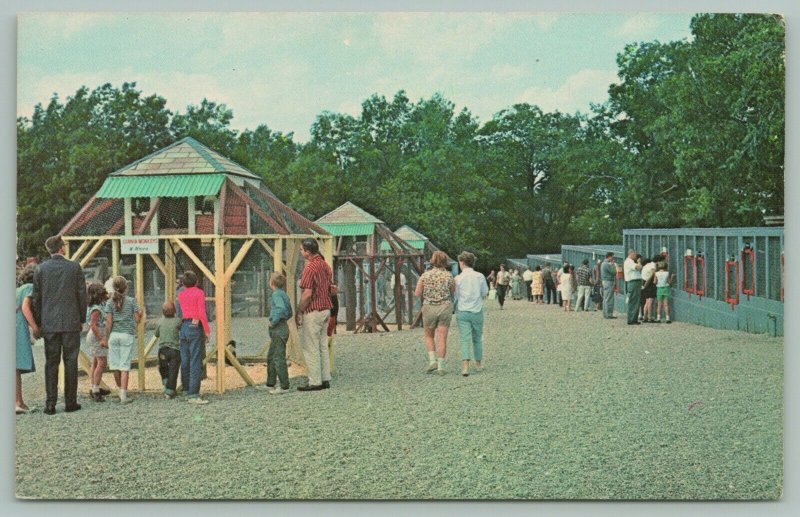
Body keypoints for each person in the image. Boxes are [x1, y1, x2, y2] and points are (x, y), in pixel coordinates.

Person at [32, 235, 87, 415]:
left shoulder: (40, 269)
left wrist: (39, 322)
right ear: (61, 248)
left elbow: (37, 299)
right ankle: (70, 402)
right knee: (71, 361)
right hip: (71, 320)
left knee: (51, 363)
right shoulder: (74, 268)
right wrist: (81, 318)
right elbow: (82, 295)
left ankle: (50, 403)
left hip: (49, 322)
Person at [296, 238, 334, 392]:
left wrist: (299, 310)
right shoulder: (325, 265)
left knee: (310, 346)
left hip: (313, 310)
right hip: (326, 308)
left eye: (301, 250)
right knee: (323, 345)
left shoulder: (310, 267)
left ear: (307, 252)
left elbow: (307, 293)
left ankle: (315, 381)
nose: (300, 252)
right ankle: (325, 378)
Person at [414, 251, 455, 375]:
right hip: (445, 307)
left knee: (429, 335)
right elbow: (453, 291)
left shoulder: (425, 276)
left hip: (429, 307)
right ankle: (441, 366)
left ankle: (432, 361)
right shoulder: (449, 276)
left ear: (432, 261)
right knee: (442, 337)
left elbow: (417, 293)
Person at [104, 276, 143, 404]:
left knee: (115, 365)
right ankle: (124, 395)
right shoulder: (132, 301)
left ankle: (120, 390)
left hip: (114, 335)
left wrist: (106, 337)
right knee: (124, 366)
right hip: (127, 334)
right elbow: (137, 319)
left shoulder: (110, 302)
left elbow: (108, 322)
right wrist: (140, 315)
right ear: (126, 287)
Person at [177, 270, 211, 404]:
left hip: (184, 326)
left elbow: (180, 312)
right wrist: (207, 331)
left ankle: (186, 388)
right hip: (194, 326)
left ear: (183, 283)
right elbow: (202, 312)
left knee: (185, 360)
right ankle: (194, 393)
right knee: (195, 360)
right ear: (196, 281)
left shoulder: (180, 294)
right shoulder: (199, 293)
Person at [454, 252, 488, 377]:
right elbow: (485, 292)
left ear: (462, 262)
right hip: (477, 310)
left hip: (463, 310)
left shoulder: (458, 278)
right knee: (477, 338)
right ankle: (478, 364)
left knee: (464, 338)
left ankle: (465, 366)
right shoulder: (480, 276)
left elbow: (456, 295)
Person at [260, 272, 293, 394]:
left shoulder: (276, 295)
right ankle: (270, 383)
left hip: (277, 327)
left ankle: (284, 386)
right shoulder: (284, 294)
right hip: (282, 326)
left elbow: (281, 308)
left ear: (271, 283)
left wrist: (273, 321)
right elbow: (289, 311)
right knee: (272, 356)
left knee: (278, 357)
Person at [16, 266, 40, 414]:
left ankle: (19, 401)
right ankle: (18, 402)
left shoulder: (17, 289)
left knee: (14, 366)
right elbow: (25, 307)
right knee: (16, 363)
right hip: (18, 325)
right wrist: (35, 327)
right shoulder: (29, 288)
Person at [86, 282, 112, 402]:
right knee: (102, 362)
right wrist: (101, 339)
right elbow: (93, 325)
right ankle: (95, 389)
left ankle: (94, 386)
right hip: (97, 335)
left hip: (96, 335)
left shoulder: (96, 306)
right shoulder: (96, 309)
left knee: (95, 362)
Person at [155, 301, 182, 399]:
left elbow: (156, 334)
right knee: (173, 370)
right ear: (175, 311)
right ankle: (170, 390)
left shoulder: (160, 321)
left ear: (162, 311)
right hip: (175, 350)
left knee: (163, 367)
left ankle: (165, 381)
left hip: (162, 350)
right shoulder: (178, 321)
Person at [623, 249, 643, 325]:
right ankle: (631, 319)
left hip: (636, 283)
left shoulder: (630, 262)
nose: (635, 256)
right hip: (633, 282)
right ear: (631, 254)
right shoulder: (629, 262)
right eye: (635, 254)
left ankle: (634, 318)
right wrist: (639, 261)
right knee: (633, 301)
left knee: (636, 301)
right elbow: (638, 267)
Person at [640, 255, 659, 323]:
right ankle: (650, 318)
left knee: (647, 301)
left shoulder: (648, 265)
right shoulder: (653, 267)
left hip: (644, 281)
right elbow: (651, 276)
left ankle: (645, 317)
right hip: (649, 284)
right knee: (650, 301)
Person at [600, 252, 617, 319]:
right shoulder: (607, 264)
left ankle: (605, 313)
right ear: (609, 257)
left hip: (605, 282)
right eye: (612, 257)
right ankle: (609, 314)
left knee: (605, 298)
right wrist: (613, 265)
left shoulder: (602, 264)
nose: (613, 259)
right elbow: (614, 272)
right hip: (609, 282)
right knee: (609, 299)